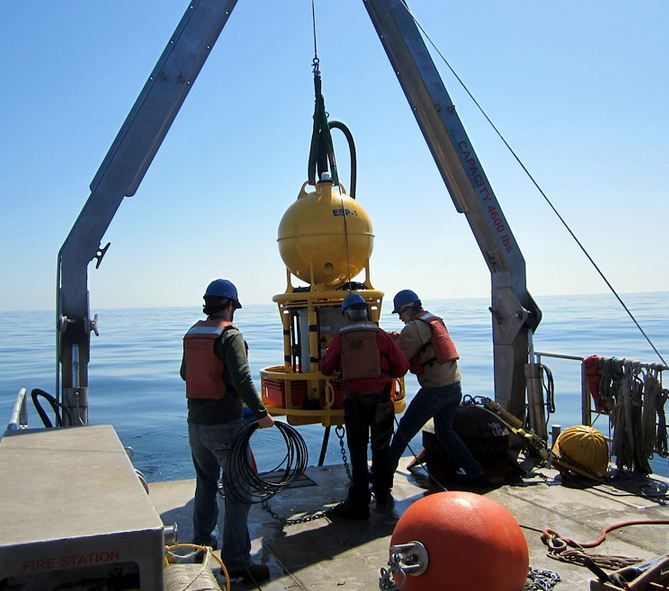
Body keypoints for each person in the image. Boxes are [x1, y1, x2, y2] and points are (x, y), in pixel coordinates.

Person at [181, 279, 274, 583]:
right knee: (238, 491)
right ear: (231, 305)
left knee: (206, 485)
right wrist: (262, 414)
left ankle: (200, 548)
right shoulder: (230, 335)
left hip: (196, 425)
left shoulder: (193, 333)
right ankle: (236, 562)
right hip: (225, 426)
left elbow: (185, 373)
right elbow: (243, 380)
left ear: (207, 303)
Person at [320, 292, 409, 519]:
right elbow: (401, 366)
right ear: (366, 312)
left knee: (357, 451)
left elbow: (326, 367)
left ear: (346, 314)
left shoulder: (341, 337)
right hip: (381, 401)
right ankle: (382, 490)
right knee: (381, 447)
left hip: (355, 402)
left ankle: (358, 501)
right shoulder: (380, 335)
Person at [387, 289, 485, 486]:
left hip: (435, 390)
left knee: (404, 430)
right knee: (445, 432)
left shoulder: (414, 328)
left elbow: (398, 360)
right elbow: (420, 339)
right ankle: (476, 472)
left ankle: (383, 475)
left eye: (399, 313)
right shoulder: (433, 320)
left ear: (407, 309)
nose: (400, 318)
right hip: (453, 386)